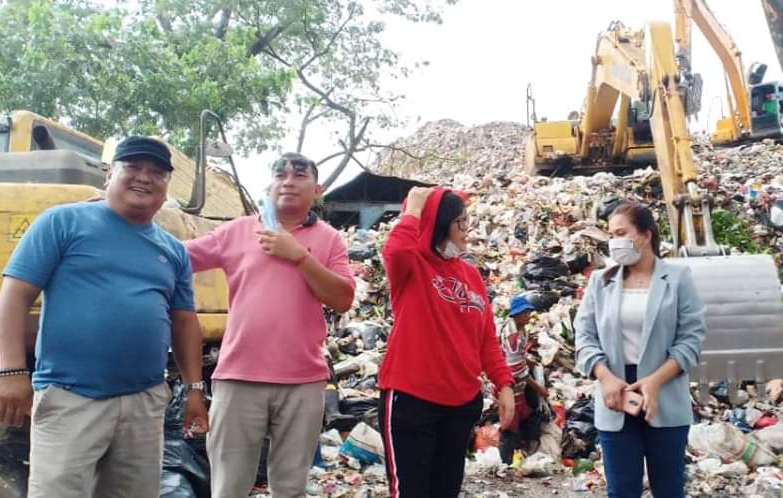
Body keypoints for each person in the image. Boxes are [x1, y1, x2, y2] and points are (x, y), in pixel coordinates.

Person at [0, 136, 209, 498]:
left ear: (167, 184)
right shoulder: (62, 222)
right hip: (69, 397)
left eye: (157, 172)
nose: (145, 177)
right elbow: (14, 296)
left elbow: (184, 322)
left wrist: (194, 391)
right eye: (133, 167)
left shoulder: (173, 251)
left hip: (143, 401)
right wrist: (12, 370)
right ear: (110, 173)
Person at [185, 152, 355, 498]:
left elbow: (342, 298)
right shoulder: (238, 231)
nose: (289, 181)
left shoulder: (329, 239)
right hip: (238, 377)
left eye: (299, 175)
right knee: (229, 486)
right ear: (269, 185)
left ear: (317, 189)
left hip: (303, 381)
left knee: (290, 487)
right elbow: (178, 257)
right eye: (281, 175)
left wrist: (298, 256)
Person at [379, 186, 515, 498]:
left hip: (460, 405)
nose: (467, 231)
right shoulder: (411, 267)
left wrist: (503, 384)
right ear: (439, 225)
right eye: (460, 223)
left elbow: (486, 339)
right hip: (412, 401)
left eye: (468, 222)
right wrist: (414, 209)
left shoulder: (470, 274)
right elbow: (396, 251)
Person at [574, 201, 706, 498]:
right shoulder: (601, 281)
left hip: (665, 395)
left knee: (669, 490)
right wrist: (604, 376)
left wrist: (655, 382)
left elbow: (691, 339)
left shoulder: (677, 279)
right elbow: (584, 335)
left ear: (645, 236)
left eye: (621, 233)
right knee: (621, 491)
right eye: (611, 234)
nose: (614, 242)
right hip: (615, 397)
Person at [498, 294, 550, 464]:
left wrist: (529, 361)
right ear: (517, 315)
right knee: (511, 420)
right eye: (525, 313)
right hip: (512, 384)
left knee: (524, 413)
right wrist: (537, 387)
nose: (528, 316)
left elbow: (519, 358)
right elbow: (515, 369)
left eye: (529, 312)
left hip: (518, 383)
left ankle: (519, 451)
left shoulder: (521, 329)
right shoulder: (512, 335)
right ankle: (507, 461)